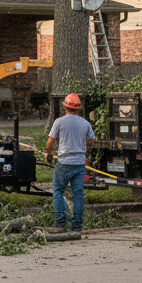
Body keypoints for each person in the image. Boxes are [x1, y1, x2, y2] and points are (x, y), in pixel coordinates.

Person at [45, 92, 94, 233]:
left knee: (58, 190)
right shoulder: (85, 124)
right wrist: (86, 153)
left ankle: (61, 224)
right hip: (79, 163)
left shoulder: (59, 122)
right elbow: (90, 141)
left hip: (64, 162)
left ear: (65, 107)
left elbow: (50, 143)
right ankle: (77, 226)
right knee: (78, 194)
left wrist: (49, 153)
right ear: (78, 108)